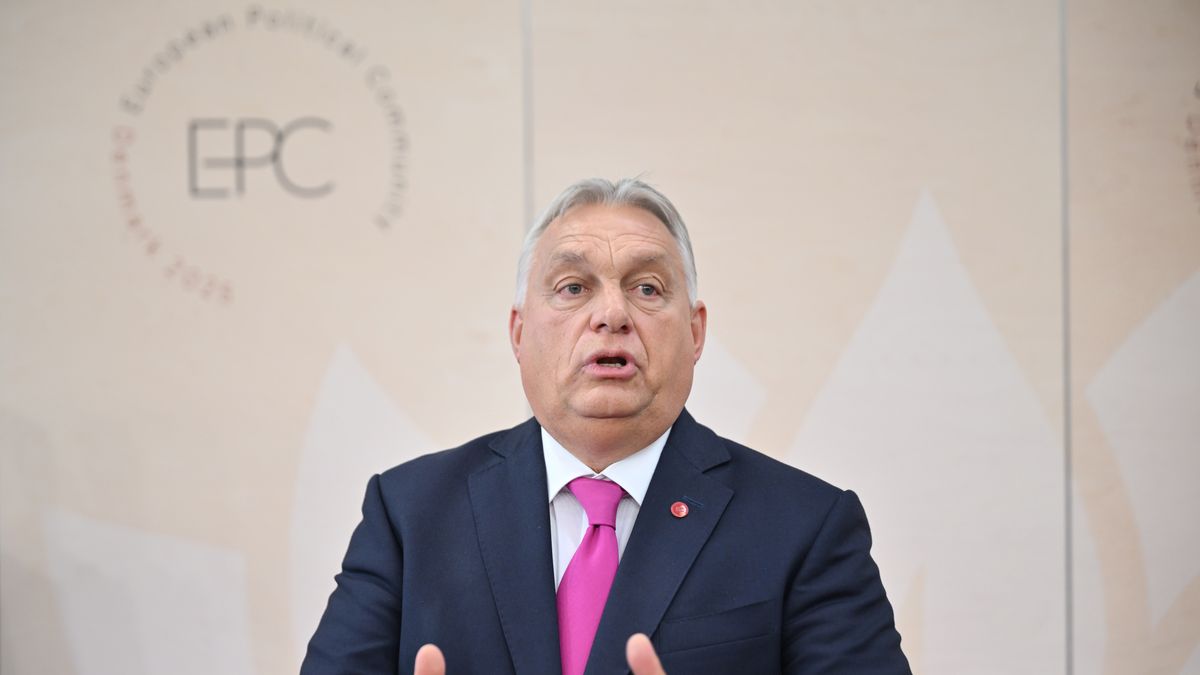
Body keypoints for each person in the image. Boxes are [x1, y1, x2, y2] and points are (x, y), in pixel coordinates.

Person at [300, 178, 910, 674]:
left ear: (695, 333)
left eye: (647, 287)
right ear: (519, 332)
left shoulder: (804, 528)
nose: (612, 314)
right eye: (573, 287)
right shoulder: (410, 514)